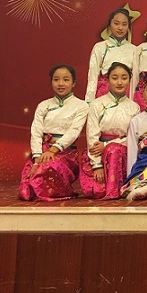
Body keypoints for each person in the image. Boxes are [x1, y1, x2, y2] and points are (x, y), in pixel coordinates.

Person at [19, 64, 89, 201]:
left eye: (66, 80)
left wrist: (53, 150)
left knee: (48, 167)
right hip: (42, 151)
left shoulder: (81, 106)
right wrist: (37, 156)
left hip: (66, 153)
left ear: (74, 83)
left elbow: (74, 132)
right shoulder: (43, 105)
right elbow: (36, 131)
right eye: (56, 79)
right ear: (51, 82)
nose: (60, 84)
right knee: (26, 192)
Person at [80, 62, 140, 200]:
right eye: (114, 78)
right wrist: (97, 165)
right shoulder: (97, 104)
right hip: (98, 153)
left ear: (129, 80)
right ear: (107, 80)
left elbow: (133, 137)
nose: (119, 82)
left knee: (114, 150)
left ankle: (115, 189)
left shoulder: (134, 107)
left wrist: (107, 145)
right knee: (97, 191)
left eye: (124, 78)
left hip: (122, 153)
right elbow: (92, 136)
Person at [85, 8, 136, 101]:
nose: (120, 28)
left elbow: (135, 80)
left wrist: (133, 101)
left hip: (126, 95)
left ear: (128, 27)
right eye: (116, 23)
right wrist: (89, 101)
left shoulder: (134, 49)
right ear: (109, 25)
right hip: (104, 95)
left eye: (124, 24)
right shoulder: (100, 47)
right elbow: (92, 76)